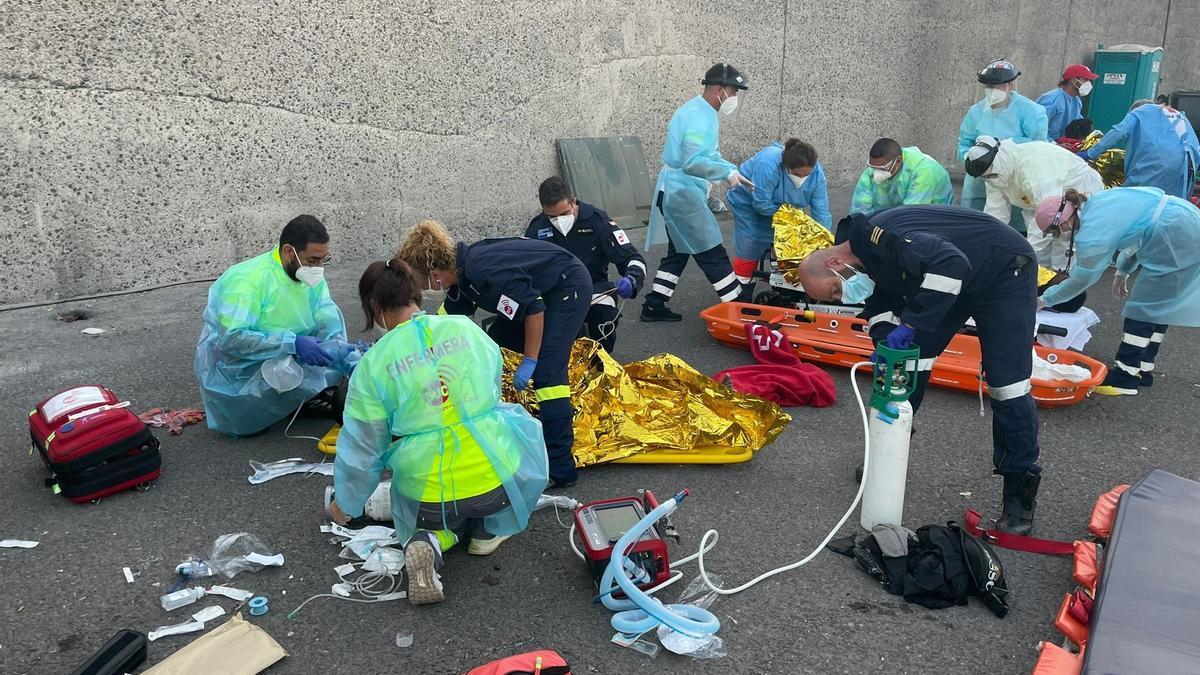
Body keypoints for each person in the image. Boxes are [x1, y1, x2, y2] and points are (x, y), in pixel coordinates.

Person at [793, 205, 1043, 535]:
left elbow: (951, 264)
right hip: (956, 278)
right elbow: (883, 299)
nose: (842, 296)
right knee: (909, 362)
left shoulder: (883, 238)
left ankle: (1019, 495)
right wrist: (883, 338)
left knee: (1007, 385)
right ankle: (889, 452)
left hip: (1002, 270)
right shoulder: (867, 254)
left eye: (835, 290)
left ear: (834, 263)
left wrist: (912, 323)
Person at [329, 257, 548, 605]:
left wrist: (346, 504)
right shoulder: (464, 328)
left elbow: (362, 449)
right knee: (487, 499)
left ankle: (429, 540)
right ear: (416, 293)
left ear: (374, 306)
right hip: (496, 481)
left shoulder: (373, 365)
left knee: (434, 515)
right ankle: (486, 534)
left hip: (429, 495)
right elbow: (491, 384)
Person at [394, 219, 590, 488]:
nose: (425, 288)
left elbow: (533, 308)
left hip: (566, 289)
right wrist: (407, 350)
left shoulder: (483, 270)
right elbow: (442, 323)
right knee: (492, 345)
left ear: (434, 272)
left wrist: (530, 359)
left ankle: (560, 468)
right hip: (541, 294)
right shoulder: (462, 277)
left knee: (547, 376)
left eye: (421, 281)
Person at [195, 215, 354, 437]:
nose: (318, 268)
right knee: (250, 422)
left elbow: (327, 318)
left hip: (287, 354)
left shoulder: (309, 278)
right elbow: (231, 340)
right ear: (290, 252)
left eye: (323, 260)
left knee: (331, 364)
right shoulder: (248, 281)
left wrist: (343, 351)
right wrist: (292, 343)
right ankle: (276, 402)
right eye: (312, 260)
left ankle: (300, 398)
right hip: (241, 369)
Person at [1036, 188, 1200, 396]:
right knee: (1158, 307)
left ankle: (1125, 377)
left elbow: (1083, 277)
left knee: (1140, 311)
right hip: (1185, 222)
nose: (1060, 235)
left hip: (1176, 235)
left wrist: (1044, 299)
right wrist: (1122, 272)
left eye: (1056, 231)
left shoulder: (1093, 230)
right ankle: (1143, 368)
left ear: (1063, 220)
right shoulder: (1100, 204)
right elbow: (1139, 232)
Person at [641, 63, 752, 322]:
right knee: (711, 248)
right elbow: (693, 161)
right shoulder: (701, 116)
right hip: (682, 195)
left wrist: (729, 168)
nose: (734, 98)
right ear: (720, 90)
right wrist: (725, 174)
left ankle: (654, 304)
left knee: (679, 252)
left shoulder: (697, 109)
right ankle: (737, 305)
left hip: (674, 190)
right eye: (733, 92)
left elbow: (707, 156)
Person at [525, 177, 647, 353]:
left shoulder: (597, 221)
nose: (559, 221)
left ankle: (602, 362)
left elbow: (631, 257)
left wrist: (632, 279)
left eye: (564, 214)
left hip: (594, 290)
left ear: (573, 202)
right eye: (552, 217)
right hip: (555, 295)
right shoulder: (537, 228)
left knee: (603, 317)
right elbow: (525, 268)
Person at [964, 136, 1104, 269]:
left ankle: (1060, 288)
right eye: (986, 178)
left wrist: (1024, 253)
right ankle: (1039, 287)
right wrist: (988, 247)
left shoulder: (1032, 168)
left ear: (998, 163)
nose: (990, 180)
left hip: (1078, 192)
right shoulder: (994, 172)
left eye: (992, 176)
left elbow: (1052, 217)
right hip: (1038, 203)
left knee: (1063, 247)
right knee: (1037, 256)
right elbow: (996, 213)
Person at [726, 138, 830, 292]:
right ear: (786, 167)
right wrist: (789, 217)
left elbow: (821, 211)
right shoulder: (768, 164)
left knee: (788, 242)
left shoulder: (816, 174)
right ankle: (741, 291)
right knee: (750, 244)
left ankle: (782, 284)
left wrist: (824, 243)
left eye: (806, 175)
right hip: (748, 203)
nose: (802, 179)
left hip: (783, 207)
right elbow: (761, 202)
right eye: (797, 174)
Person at [957, 59, 1049, 231]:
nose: (993, 91)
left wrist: (1003, 149)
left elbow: (1038, 147)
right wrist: (972, 158)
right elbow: (964, 143)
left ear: (1011, 84)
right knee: (975, 223)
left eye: (998, 86)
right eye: (989, 86)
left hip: (1015, 179)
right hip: (979, 178)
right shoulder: (976, 112)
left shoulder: (1031, 111)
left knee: (1015, 227)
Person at [1082, 100, 1200, 199]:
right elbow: (1195, 147)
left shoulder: (1139, 112)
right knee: (1168, 210)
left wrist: (1090, 153)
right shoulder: (1179, 116)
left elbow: (1118, 132)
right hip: (1184, 170)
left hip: (1152, 167)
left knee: (1134, 202)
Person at [849, 138, 954, 215]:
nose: (876, 173)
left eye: (882, 169)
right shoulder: (872, 171)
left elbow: (910, 214)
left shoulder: (924, 173)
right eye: (873, 167)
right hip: (895, 216)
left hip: (931, 218)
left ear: (898, 161)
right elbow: (859, 210)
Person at [1036, 64, 1099, 140]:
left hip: (1063, 146)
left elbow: (1076, 125)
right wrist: (1054, 144)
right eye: (1086, 79)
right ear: (1074, 81)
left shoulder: (1077, 101)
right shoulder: (1052, 99)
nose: (1089, 84)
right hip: (1045, 146)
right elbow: (1036, 129)